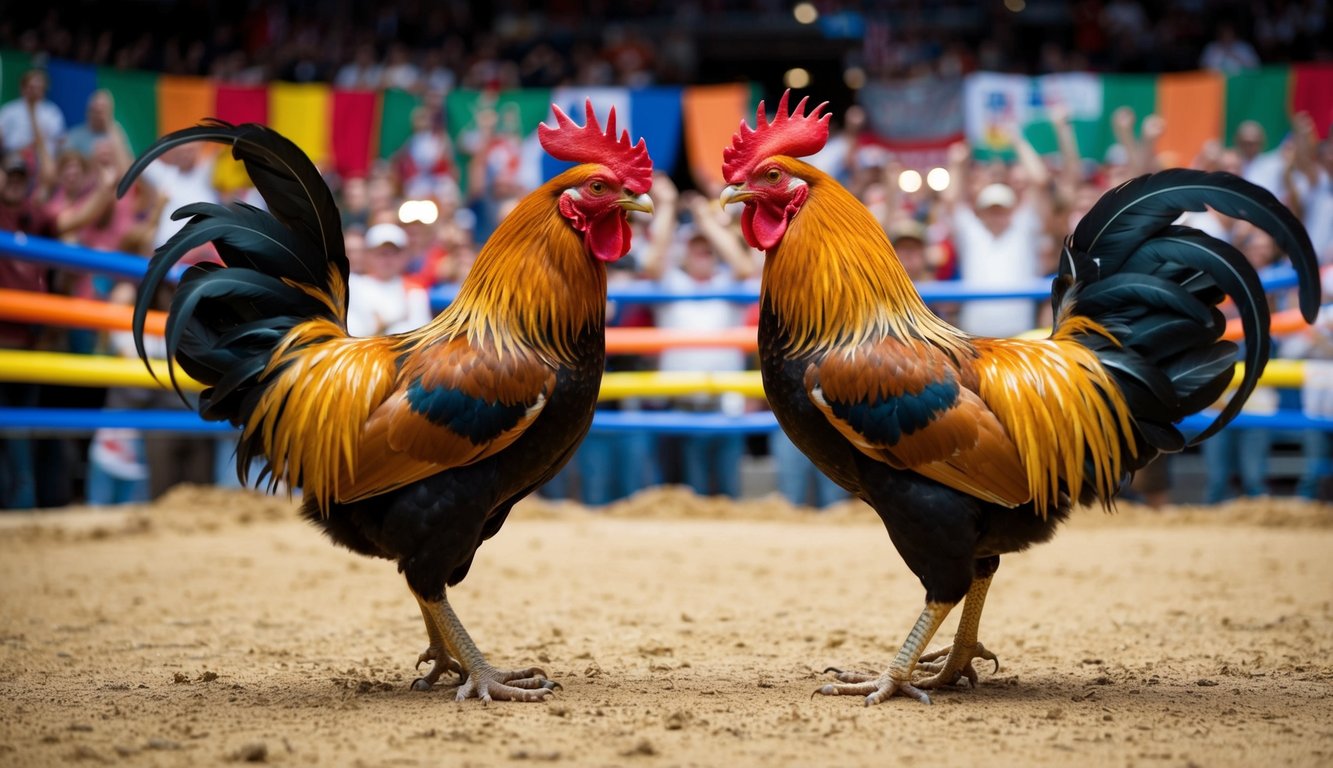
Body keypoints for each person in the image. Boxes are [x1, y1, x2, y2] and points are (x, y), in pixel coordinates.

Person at [940, 135, 1047, 338]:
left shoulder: (1024, 229)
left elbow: (1039, 180)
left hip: (1021, 338)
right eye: (991, 210)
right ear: (981, 212)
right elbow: (950, 198)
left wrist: (1018, 141)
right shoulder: (971, 232)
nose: (997, 215)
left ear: (1012, 209)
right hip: (977, 339)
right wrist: (957, 163)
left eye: (1002, 209)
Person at [345, 222, 433, 338]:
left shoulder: (415, 291)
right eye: (381, 253)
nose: (387, 259)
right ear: (368, 255)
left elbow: (420, 336)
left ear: (404, 256)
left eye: (394, 253)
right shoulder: (352, 286)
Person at [63, 89, 134, 171]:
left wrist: (109, 126)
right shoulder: (75, 135)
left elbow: (128, 164)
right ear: (88, 111)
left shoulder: (117, 131)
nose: (99, 114)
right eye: (95, 110)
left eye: (103, 110)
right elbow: (65, 167)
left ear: (110, 112)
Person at [0, 68, 65, 156]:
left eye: (38, 88)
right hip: (14, 157)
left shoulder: (52, 112)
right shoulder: (9, 110)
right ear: (22, 88)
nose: (34, 91)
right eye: (31, 87)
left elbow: (60, 140)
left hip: (43, 159)